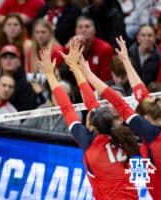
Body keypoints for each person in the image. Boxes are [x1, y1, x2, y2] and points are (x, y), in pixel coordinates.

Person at [38, 42, 139, 199]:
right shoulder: (121, 137)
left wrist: (50, 75)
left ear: (92, 127)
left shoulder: (90, 144)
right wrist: (74, 67)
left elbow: (66, 107)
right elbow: (91, 104)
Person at [80, 36, 161, 200]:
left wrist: (90, 76)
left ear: (146, 118)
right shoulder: (159, 123)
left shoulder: (153, 135)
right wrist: (126, 61)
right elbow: (143, 95)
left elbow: (118, 103)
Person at [0, 44, 40, 111]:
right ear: (0, 61)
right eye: (5, 57)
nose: (8, 61)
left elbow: (27, 111)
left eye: (12, 57)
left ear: (19, 61)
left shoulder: (27, 84)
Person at [66, 15, 114, 82]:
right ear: (76, 31)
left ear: (94, 31)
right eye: (80, 27)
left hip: (98, 88)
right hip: (76, 87)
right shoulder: (72, 46)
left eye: (87, 26)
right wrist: (69, 45)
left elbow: (106, 79)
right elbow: (57, 63)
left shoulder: (105, 49)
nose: (84, 30)